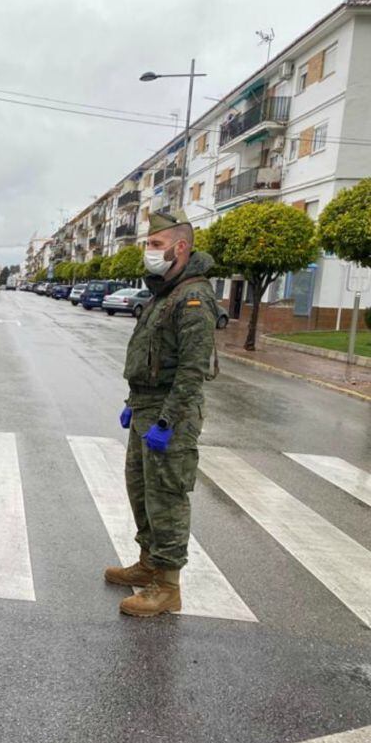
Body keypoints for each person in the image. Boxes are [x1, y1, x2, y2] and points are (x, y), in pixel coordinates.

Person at [106, 210, 219, 617]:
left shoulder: (193, 296)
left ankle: (167, 587)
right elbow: (152, 355)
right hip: (145, 406)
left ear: (180, 247)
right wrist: (132, 404)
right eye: (148, 245)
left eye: (156, 245)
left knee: (167, 496)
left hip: (170, 413)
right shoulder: (164, 292)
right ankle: (149, 562)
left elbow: (191, 370)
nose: (149, 253)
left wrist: (167, 421)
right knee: (141, 489)